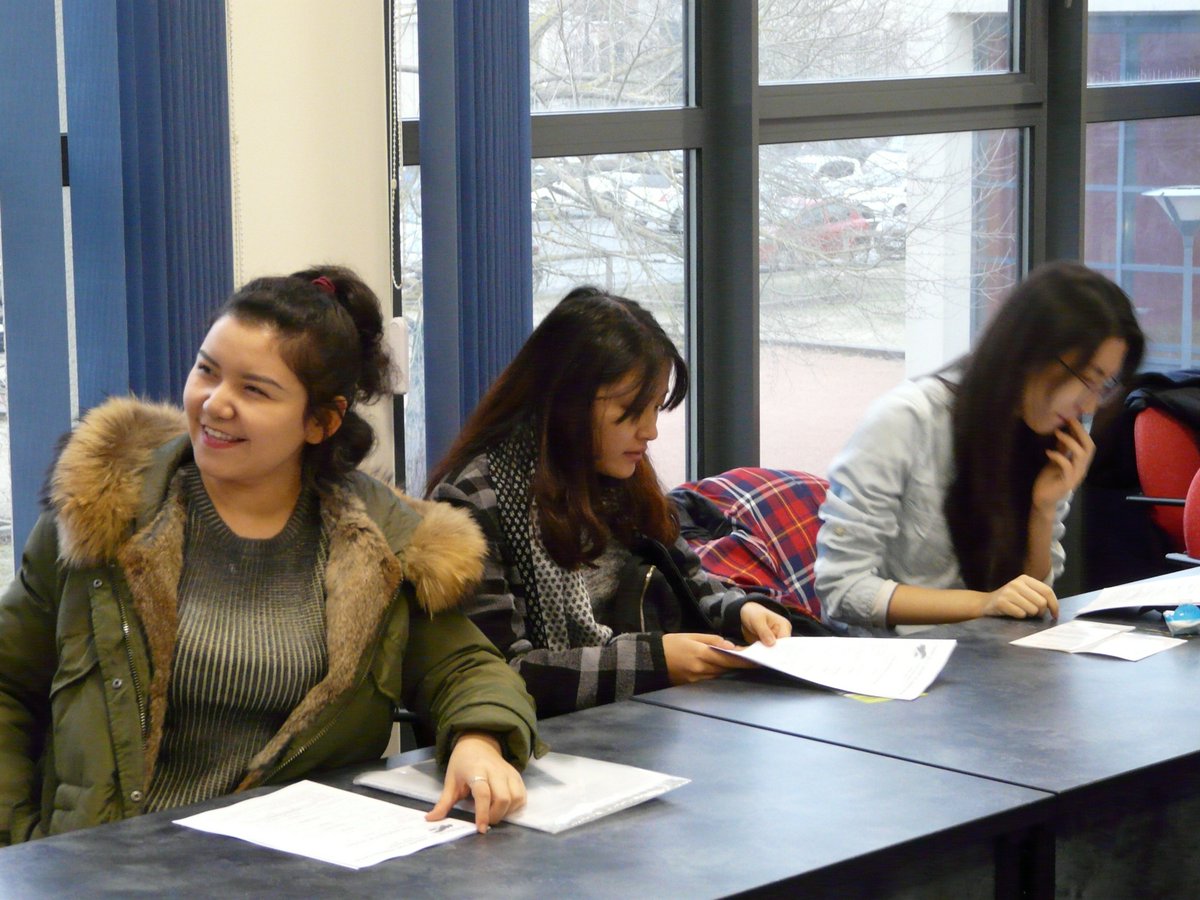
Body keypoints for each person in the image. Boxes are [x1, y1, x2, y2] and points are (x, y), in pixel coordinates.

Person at [0, 266, 540, 845]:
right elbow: (8, 684)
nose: (214, 404)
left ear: (321, 421)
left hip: (293, 869)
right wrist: (24, 847)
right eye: (206, 370)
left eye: (254, 390)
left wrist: (480, 742)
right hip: (109, 868)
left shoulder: (380, 546)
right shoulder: (103, 514)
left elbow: (464, 669)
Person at [427, 286, 812, 718]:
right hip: (552, 740)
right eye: (631, 411)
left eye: (655, 408)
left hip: (645, 719)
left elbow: (690, 578)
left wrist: (743, 611)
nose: (650, 431)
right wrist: (654, 662)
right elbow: (500, 673)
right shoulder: (476, 500)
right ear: (567, 403)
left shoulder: (620, 478)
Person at [814, 260, 1145, 628]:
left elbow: (1031, 598)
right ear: (1029, 352)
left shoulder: (1049, 438)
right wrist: (983, 603)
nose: (1088, 405)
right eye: (1086, 379)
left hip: (989, 663)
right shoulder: (907, 419)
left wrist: (1043, 508)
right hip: (894, 667)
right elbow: (842, 589)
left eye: (1104, 387)